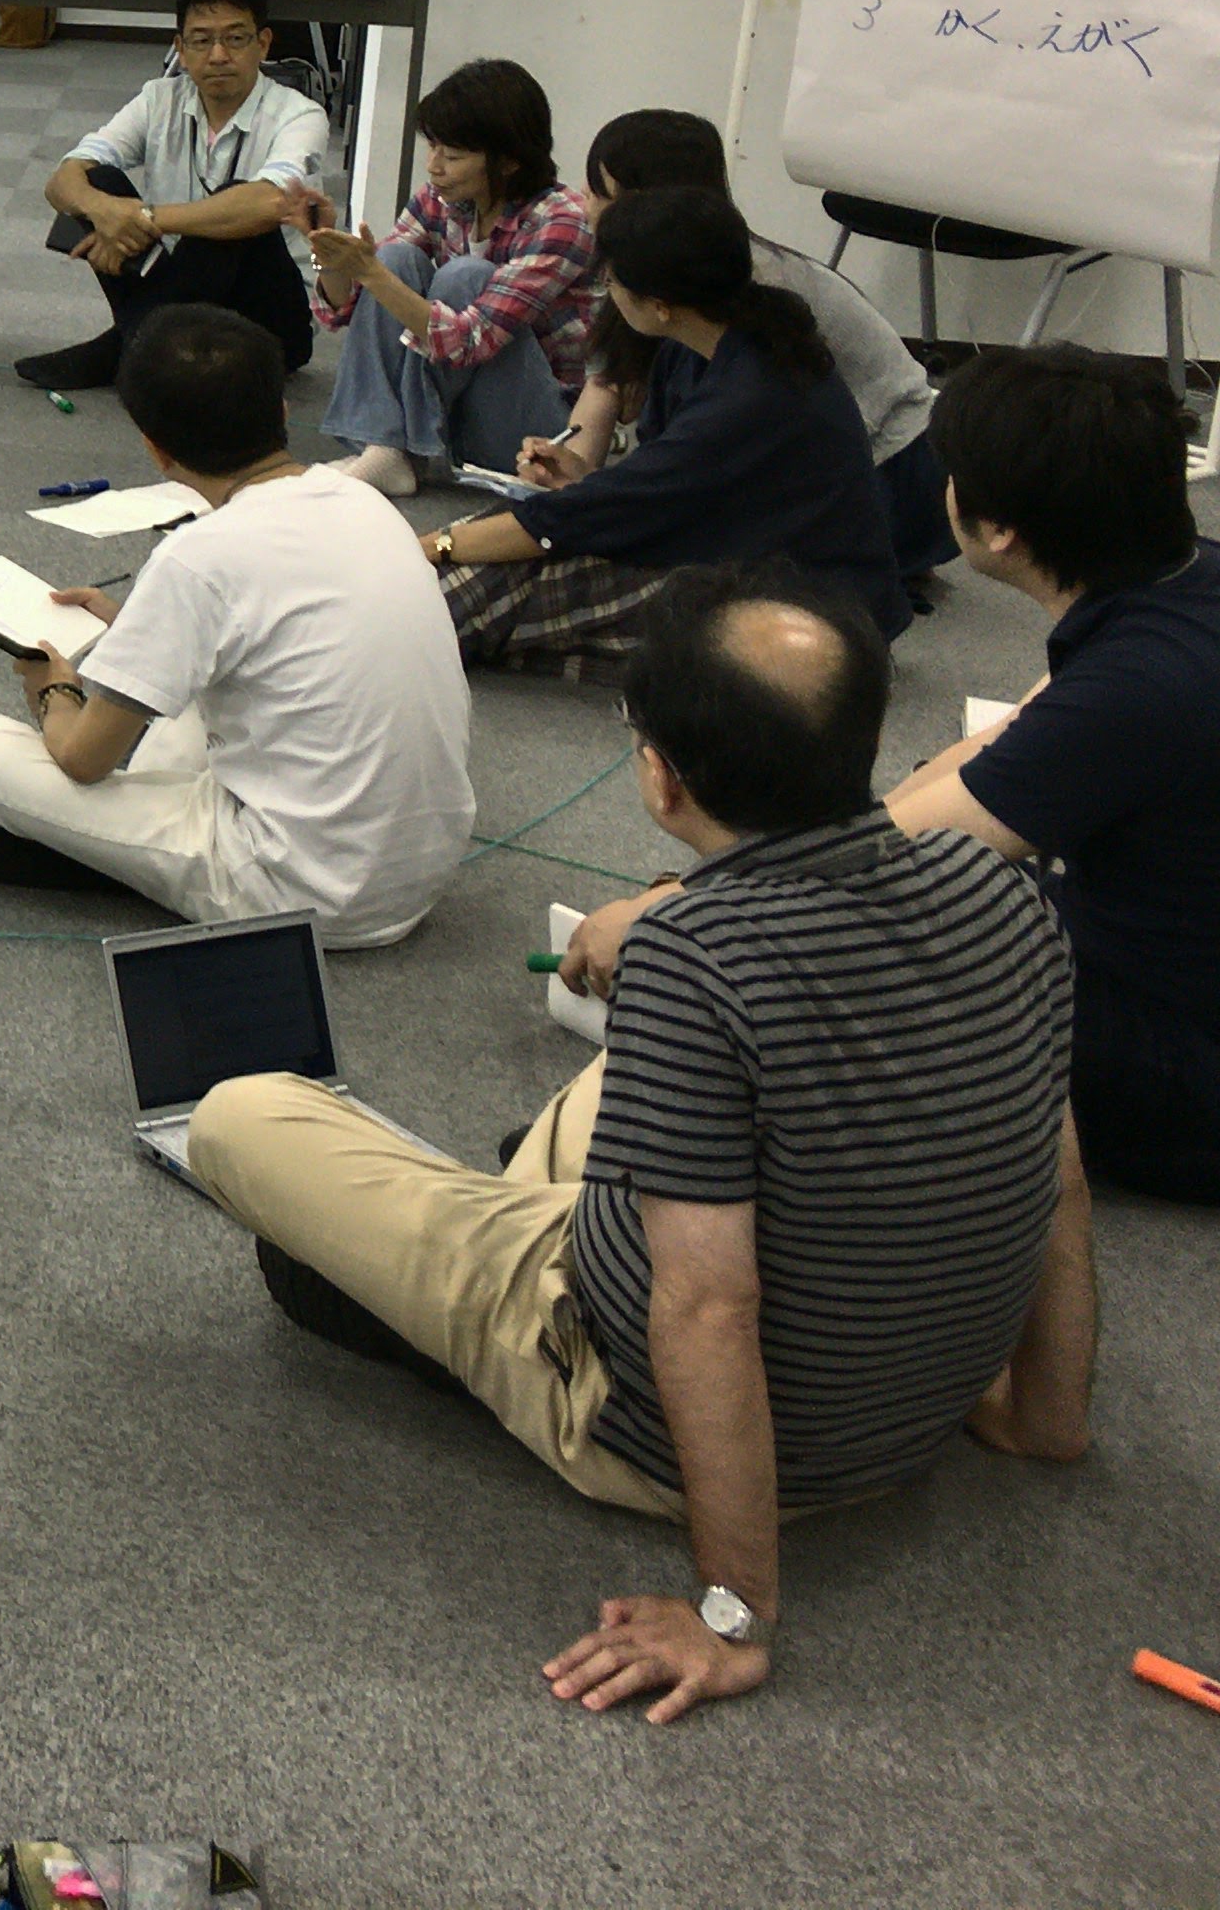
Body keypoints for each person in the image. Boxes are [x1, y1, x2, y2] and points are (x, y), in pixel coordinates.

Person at [192, 565, 1090, 1723]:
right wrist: (1045, 1420)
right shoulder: (996, 885)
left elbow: (708, 1306)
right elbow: (1061, 1181)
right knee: (631, 1096)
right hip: (902, 1413)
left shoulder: (695, 959)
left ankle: (483, 1262)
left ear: (662, 776)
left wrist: (735, 1614)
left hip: (642, 1404)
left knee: (240, 1117)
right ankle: (505, 1214)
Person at [0, 304, 474, 946]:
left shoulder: (197, 556)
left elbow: (82, 759)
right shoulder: (367, 500)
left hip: (298, 893)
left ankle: (133, 859)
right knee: (193, 699)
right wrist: (137, 632)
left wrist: (54, 691)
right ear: (282, 411)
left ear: (156, 450)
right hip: (419, 874)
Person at [885, 347, 1220, 1207]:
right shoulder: (1211, 575)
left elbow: (876, 860)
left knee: (866, 946)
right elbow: (994, 753)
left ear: (999, 530)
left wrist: (677, 907)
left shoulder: (1138, 688)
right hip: (1213, 989)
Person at [430, 185, 903, 670]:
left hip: (810, 606)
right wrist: (585, 482)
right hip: (731, 552)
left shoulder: (749, 391)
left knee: (499, 585)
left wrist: (434, 547)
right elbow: (661, 490)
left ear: (659, 304)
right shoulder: (721, 341)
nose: (606, 292)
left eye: (611, 281)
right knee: (508, 546)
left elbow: (572, 521)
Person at [528, 109, 949, 585]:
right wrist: (577, 475)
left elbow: (714, 453)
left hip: (897, 469)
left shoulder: (748, 287)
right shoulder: (653, 271)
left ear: (648, 204)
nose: (583, 201)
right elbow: (608, 382)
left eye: (598, 191)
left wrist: (590, 506)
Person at [18, 0, 328, 390]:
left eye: (236, 38)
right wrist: (104, 211)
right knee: (100, 182)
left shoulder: (300, 114)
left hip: (268, 320)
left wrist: (145, 218)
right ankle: (145, 342)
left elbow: (272, 203)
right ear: (180, 49)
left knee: (233, 208)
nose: (218, 55)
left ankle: (127, 345)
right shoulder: (159, 99)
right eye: (201, 41)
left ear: (264, 43)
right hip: (176, 285)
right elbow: (62, 181)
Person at [306, 58, 601, 495]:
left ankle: (393, 450)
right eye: (433, 147)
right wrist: (329, 254)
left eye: (454, 156)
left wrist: (371, 272)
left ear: (509, 161)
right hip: (452, 410)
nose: (434, 166)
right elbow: (351, 311)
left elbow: (472, 339)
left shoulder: (560, 219)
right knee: (397, 259)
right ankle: (382, 447)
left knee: (465, 278)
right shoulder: (444, 198)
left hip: (534, 430)